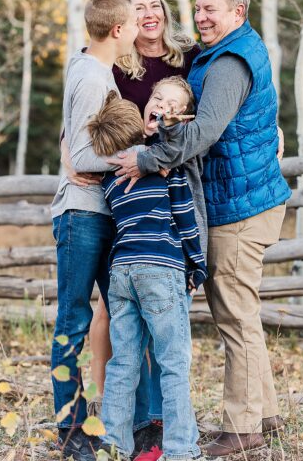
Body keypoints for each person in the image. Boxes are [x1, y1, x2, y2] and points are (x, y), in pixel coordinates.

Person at [107, 0, 291, 458]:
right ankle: (263, 412)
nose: (201, 16)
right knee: (239, 309)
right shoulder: (219, 50)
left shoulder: (230, 60)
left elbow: (206, 130)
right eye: (198, 7)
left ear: (238, 13)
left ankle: (243, 425)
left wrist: (146, 159)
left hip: (242, 204)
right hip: (241, 196)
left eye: (212, 9)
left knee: (234, 314)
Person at [64, 0, 201, 458]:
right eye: (137, 6)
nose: (148, 13)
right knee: (168, 354)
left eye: (154, 5)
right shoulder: (114, 71)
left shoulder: (188, 58)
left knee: (133, 351)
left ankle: (125, 438)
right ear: (124, 20)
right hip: (155, 257)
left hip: (128, 255)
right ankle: (176, 444)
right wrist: (195, 266)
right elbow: (86, 127)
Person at [86, 89, 206, 461]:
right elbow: (186, 218)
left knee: (123, 363)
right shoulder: (166, 171)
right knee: (172, 363)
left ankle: (114, 446)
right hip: (160, 268)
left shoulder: (111, 182)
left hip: (122, 272)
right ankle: (181, 450)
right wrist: (198, 264)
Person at [49, 0, 139, 461]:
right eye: (134, 23)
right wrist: (136, 156)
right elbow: (83, 156)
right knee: (73, 321)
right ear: (118, 30)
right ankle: (70, 434)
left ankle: (117, 424)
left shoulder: (91, 68)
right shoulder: (92, 76)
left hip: (101, 212)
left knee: (122, 314)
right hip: (82, 213)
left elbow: (75, 138)